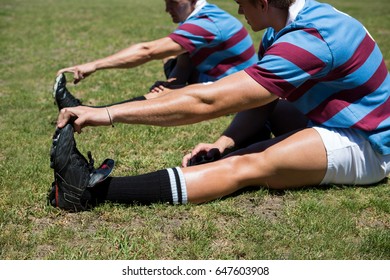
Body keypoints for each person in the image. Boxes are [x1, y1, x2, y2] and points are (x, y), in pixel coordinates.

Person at [48, 0, 389, 212]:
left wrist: (106, 114)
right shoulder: (282, 27)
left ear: (265, 2)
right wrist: (222, 142)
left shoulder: (311, 37)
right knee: (239, 146)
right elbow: (264, 100)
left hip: (368, 142)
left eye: (242, 2)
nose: (239, 10)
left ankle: (91, 191)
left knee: (249, 164)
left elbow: (208, 100)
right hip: (333, 119)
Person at [54, 0, 258, 110]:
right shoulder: (203, 14)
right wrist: (173, 82)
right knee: (171, 57)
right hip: (219, 77)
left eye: (173, 2)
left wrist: (94, 65)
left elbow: (147, 51)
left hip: (235, 91)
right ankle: (172, 90)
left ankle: (92, 111)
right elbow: (185, 57)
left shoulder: (206, 23)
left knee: (163, 84)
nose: (167, 9)